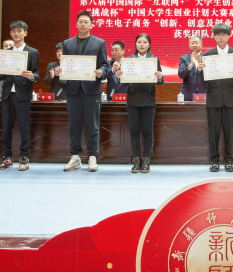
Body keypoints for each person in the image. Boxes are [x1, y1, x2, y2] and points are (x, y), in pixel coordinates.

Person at [54, 10, 108, 172]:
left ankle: (92, 156)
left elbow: (104, 64)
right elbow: (66, 63)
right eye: (80, 21)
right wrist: (60, 70)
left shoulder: (99, 43)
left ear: (92, 25)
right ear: (76, 24)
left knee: (93, 125)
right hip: (73, 89)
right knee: (74, 124)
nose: (83, 24)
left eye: (86, 22)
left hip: (92, 89)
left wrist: (101, 72)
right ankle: (75, 157)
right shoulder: (68, 43)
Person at [0, 21, 40, 171]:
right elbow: (2, 74)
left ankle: (24, 157)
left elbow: (37, 73)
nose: (16, 34)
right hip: (7, 94)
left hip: (23, 94)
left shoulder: (32, 52)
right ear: (10, 33)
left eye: (19, 31)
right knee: (6, 127)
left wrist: (31, 76)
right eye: (14, 31)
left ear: (25, 33)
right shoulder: (6, 52)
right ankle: (6, 158)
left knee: (24, 127)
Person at [197, 23, 233, 172]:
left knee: (230, 131)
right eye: (218, 34)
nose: (221, 37)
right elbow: (203, 79)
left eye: (224, 34)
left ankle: (229, 160)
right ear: (214, 36)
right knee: (214, 131)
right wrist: (200, 70)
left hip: (231, 97)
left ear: (229, 35)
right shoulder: (208, 54)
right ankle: (214, 160)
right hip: (214, 98)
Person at [115, 34, 164, 173]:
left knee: (148, 131)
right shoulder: (128, 60)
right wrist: (119, 77)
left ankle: (146, 159)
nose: (142, 44)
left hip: (149, 100)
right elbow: (122, 82)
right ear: (135, 44)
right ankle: (136, 160)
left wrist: (160, 77)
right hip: (133, 100)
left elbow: (160, 81)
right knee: (134, 131)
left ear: (149, 45)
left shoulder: (154, 60)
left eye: (145, 42)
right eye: (139, 42)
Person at [178, 35, 207, 101]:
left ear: (201, 45)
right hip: (188, 93)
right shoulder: (184, 58)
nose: (194, 45)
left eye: (196, 43)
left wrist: (200, 63)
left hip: (203, 93)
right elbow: (181, 75)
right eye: (192, 43)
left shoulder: (206, 57)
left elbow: (210, 75)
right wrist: (191, 65)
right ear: (189, 45)